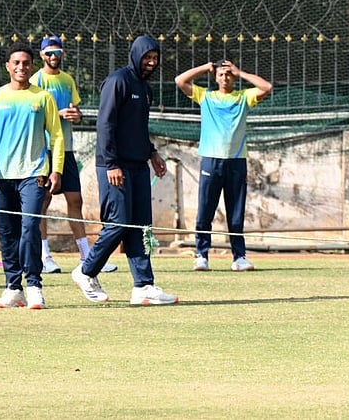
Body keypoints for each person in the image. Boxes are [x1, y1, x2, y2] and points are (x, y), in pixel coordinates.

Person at [71, 35, 178, 305]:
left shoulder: (145, 88)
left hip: (138, 166)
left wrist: (152, 153)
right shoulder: (118, 81)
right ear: (136, 55)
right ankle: (86, 271)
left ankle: (143, 285)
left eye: (155, 58)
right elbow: (105, 124)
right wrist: (111, 163)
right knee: (118, 223)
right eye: (147, 58)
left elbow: (139, 128)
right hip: (113, 166)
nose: (151, 63)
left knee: (141, 227)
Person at [30, 35, 117, 275]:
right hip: (44, 150)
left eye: (57, 53)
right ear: (42, 55)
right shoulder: (35, 80)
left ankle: (87, 257)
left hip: (66, 149)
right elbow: (33, 114)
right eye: (49, 53)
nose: (54, 57)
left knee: (75, 201)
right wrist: (57, 114)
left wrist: (76, 116)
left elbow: (75, 109)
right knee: (42, 203)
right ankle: (44, 256)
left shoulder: (67, 80)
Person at [174, 60, 273, 272]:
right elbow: (180, 80)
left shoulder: (243, 97)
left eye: (228, 74)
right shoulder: (206, 96)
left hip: (236, 161)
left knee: (236, 213)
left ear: (233, 77)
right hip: (211, 159)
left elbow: (267, 87)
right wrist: (205, 68)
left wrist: (240, 71)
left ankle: (239, 257)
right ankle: (201, 255)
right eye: (221, 74)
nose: (225, 78)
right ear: (215, 78)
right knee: (205, 210)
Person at [0, 42, 64, 309]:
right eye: (16, 63)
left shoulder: (42, 97)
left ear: (31, 66)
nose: (21, 67)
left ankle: (34, 284)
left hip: (34, 174)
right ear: (8, 66)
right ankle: (13, 288)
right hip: (4, 176)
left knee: (30, 227)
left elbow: (56, 136)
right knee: (7, 232)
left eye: (26, 63)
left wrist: (56, 169)